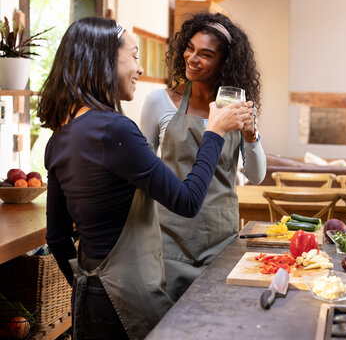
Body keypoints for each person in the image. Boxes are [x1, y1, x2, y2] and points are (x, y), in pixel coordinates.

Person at [37, 17, 251, 340]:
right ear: (107, 59)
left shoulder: (59, 138)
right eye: (134, 56)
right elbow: (189, 200)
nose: (139, 69)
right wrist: (215, 131)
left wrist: (89, 285)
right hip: (129, 299)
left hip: (88, 299)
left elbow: (56, 238)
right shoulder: (115, 130)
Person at [140, 12, 266, 301]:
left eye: (205, 54)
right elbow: (143, 172)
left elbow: (256, 176)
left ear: (225, 62)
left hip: (219, 237)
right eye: (190, 48)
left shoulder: (237, 107)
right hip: (168, 236)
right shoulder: (159, 102)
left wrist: (250, 134)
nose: (192, 58)